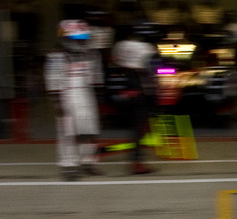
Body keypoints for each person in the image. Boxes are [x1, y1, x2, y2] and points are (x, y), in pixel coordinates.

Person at [44, 20, 103, 181]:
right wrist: (56, 100)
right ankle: (68, 166)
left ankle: (88, 161)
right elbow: (52, 78)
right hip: (66, 95)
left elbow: (96, 78)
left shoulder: (92, 54)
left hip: (87, 94)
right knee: (67, 133)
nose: (82, 41)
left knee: (89, 131)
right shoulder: (56, 56)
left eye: (83, 38)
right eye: (77, 39)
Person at [111, 23, 158, 174]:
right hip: (140, 88)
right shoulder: (147, 48)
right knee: (139, 128)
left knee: (136, 127)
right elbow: (151, 69)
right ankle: (136, 162)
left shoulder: (120, 45)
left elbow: (115, 60)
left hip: (126, 85)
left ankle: (136, 160)